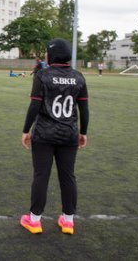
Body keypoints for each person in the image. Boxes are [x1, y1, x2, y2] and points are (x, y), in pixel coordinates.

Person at [20, 38, 89, 236]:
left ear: (52, 54)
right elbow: (84, 109)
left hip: (44, 133)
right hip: (69, 134)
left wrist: (26, 130)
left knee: (41, 175)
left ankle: (34, 220)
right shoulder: (78, 77)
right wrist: (83, 132)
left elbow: (34, 105)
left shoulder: (42, 75)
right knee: (68, 176)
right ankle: (68, 221)